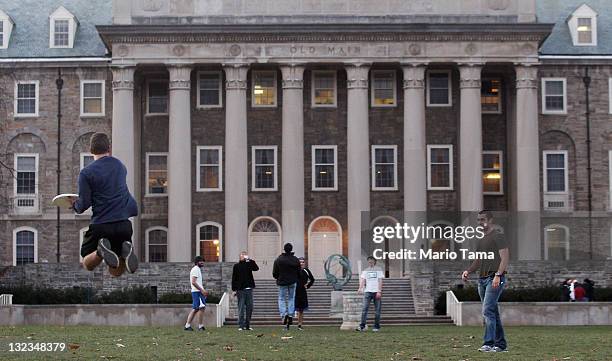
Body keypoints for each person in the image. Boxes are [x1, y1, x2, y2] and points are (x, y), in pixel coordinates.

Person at [72, 133, 139, 277]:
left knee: (86, 262)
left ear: (90, 150)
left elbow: (84, 204)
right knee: (116, 271)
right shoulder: (120, 167)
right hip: (123, 225)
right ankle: (124, 250)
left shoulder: (86, 173)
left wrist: (74, 205)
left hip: (101, 224)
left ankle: (100, 252)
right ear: (109, 148)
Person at [462, 210, 510, 353]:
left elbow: (505, 258)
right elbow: (478, 261)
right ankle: (501, 345)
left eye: (483, 219)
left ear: (490, 220)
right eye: (478, 220)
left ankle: (488, 343)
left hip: (494, 278)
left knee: (487, 310)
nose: (480, 222)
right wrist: (468, 271)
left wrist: (498, 275)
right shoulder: (481, 240)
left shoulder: (498, 236)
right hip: (482, 280)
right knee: (492, 312)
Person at [272, 242, 301, 330]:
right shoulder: (295, 259)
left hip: (282, 282)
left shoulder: (279, 259)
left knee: (281, 298)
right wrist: (296, 278)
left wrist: (277, 277)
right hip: (292, 281)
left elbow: (275, 272)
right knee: (291, 298)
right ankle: (291, 315)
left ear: (284, 249)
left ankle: (284, 314)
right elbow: (299, 272)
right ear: (291, 249)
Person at [232, 251, 259, 331]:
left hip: (249, 289)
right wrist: (234, 289)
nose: (244, 256)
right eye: (242, 255)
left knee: (250, 307)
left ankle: (247, 325)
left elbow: (256, 268)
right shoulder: (236, 266)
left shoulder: (249, 264)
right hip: (240, 290)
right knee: (241, 308)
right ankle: (241, 325)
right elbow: (234, 278)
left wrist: (249, 260)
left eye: (245, 255)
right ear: (240, 257)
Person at [356, 256, 384, 332]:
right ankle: (362, 326)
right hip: (368, 292)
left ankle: (376, 327)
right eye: (369, 261)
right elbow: (363, 280)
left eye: (371, 261)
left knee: (377, 311)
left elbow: (380, 281)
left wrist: (379, 291)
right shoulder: (365, 270)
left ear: (374, 261)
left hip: (376, 292)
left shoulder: (379, 270)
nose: (370, 263)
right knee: (364, 309)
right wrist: (360, 288)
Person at [184, 256, 208, 331]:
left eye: (203, 261)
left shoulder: (197, 269)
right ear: (197, 262)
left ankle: (188, 325)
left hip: (198, 292)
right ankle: (199, 326)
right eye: (201, 261)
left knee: (197, 308)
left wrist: (203, 290)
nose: (203, 263)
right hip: (197, 292)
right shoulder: (195, 269)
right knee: (200, 308)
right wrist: (202, 290)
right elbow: (193, 282)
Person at [294, 257, 315, 330]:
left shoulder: (306, 271)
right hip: (295, 292)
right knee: (295, 309)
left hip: (303, 292)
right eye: (300, 262)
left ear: (304, 263)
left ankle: (300, 325)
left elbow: (312, 279)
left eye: (303, 262)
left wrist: (308, 285)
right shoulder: (295, 271)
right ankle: (289, 324)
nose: (301, 263)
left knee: (301, 310)